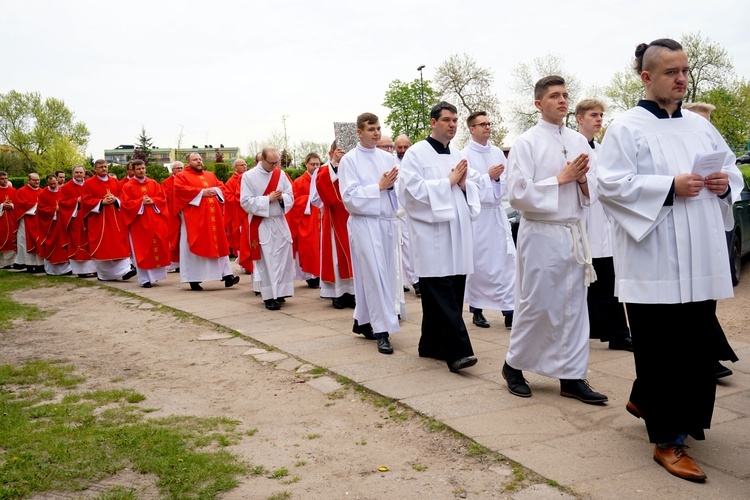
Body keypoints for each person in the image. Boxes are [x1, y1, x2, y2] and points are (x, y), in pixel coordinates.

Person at [596, 39, 742, 482]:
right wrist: (667, 187)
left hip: (700, 255)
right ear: (646, 77)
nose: (680, 79)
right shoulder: (626, 128)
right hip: (655, 259)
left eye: (684, 71)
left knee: (696, 348)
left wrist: (723, 184)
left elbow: (733, 169)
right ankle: (667, 441)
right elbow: (611, 186)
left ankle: (664, 409)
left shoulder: (700, 127)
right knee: (661, 350)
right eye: (670, 72)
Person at [503, 76, 608, 405]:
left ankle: (572, 375)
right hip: (541, 232)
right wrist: (560, 179)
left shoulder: (579, 141)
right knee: (538, 303)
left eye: (565, 95)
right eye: (554, 96)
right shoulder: (526, 143)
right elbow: (518, 194)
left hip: (573, 232)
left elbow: (594, 186)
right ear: (538, 104)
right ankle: (513, 365)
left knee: (574, 306)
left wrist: (581, 182)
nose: (562, 100)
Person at [398, 101, 481, 373]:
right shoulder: (415, 154)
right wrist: (447, 181)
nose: (452, 125)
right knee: (441, 291)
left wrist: (464, 182)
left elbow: (474, 186)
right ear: (433, 122)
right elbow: (411, 192)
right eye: (447, 120)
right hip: (431, 235)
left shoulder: (457, 153)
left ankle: (431, 344)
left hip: (457, 233)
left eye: (455, 120)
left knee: (452, 289)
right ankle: (458, 352)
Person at [682, 101, 738, 379]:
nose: (706, 125)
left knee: (703, 307)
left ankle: (709, 358)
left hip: (712, 227)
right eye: (700, 119)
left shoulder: (708, 138)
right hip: (678, 235)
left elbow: (733, 171)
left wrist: (725, 185)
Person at [575, 99, 633, 351]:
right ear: (579, 118)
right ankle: (582, 331)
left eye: (601, 115)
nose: (599, 119)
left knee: (608, 277)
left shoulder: (601, 149)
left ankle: (618, 333)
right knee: (583, 281)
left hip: (604, 220)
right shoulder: (570, 146)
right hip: (582, 219)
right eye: (593, 115)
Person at [340, 113, 400, 355]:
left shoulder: (387, 157)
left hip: (386, 222)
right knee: (375, 276)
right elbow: (349, 197)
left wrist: (392, 186)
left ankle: (362, 320)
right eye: (371, 129)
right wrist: (379, 187)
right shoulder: (349, 160)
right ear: (359, 132)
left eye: (378, 128)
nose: (376, 133)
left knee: (384, 274)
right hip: (364, 223)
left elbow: (400, 189)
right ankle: (382, 331)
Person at [462, 111, 515, 330]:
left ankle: (509, 310)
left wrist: (497, 180)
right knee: (480, 265)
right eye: (481, 124)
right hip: (478, 216)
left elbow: (507, 181)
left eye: (488, 123)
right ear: (471, 129)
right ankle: (477, 309)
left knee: (506, 263)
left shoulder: (496, 152)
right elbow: (467, 183)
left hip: (496, 214)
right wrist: (488, 177)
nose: (487, 127)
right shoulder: (463, 154)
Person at [173, 152, 239, 291]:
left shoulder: (210, 175)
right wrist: (202, 192)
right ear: (188, 163)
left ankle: (227, 276)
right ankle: (194, 279)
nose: (198, 161)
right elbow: (180, 191)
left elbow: (222, 188)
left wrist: (215, 190)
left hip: (213, 218)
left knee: (219, 243)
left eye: (200, 159)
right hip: (194, 219)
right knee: (194, 244)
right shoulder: (182, 176)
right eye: (195, 159)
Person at [239, 147, 294, 309]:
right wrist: (267, 199)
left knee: (283, 257)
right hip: (261, 223)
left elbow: (291, 195)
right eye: (271, 163)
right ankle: (269, 296)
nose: (275, 166)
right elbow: (245, 202)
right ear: (261, 160)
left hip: (279, 221)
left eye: (277, 162)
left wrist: (282, 197)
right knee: (267, 260)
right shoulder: (248, 177)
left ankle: (282, 291)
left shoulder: (280, 174)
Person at [313, 141, 356, 310]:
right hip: (333, 218)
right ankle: (336, 294)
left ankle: (353, 293)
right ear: (331, 152)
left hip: (353, 216)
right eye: (339, 151)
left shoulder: (354, 166)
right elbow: (316, 199)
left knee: (353, 254)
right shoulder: (323, 170)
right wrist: (333, 165)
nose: (342, 155)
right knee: (336, 257)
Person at [80, 160, 136, 281]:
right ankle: (104, 275)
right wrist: (101, 202)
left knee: (119, 245)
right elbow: (85, 200)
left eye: (105, 166)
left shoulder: (115, 181)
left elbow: (123, 197)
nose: (104, 169)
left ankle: (125, 270)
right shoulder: (89, 184)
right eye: (101, 167)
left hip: (116, 219)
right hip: (99, 220)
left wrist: (115, 199)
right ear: (95, 169)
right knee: (103, 247)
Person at [121, 160, 170, 288]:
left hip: (155, 221)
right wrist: (140, 202)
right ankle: (144, 279)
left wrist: (152, 200)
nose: (141, 171)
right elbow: (125, 205)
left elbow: (162, 199)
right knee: (142, 250)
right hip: (139, 224)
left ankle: (155, 277)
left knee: (156, 248)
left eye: (143, 168)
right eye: (138, 169)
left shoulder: (153, 183)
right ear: (133, 171)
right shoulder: (128, 186)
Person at [286, 152, 322, 288]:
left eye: (318, 164)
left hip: (321, 218)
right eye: (312, 164)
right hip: (306, 220)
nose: (315, 167)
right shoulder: (299, 182)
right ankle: (310, 276)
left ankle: (321, 274)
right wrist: (310, 199)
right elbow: (293, 201)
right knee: (309, 248)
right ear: (306, 164)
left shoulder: (322, 178)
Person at [58, 165, 97, 277]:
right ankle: (81, 271)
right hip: (75, 219)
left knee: (90, 242)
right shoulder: (65, 188)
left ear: (84, 174)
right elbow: (62, 203)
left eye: (81, 172)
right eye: (77, 172)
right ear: (72, 174)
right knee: (78, 242)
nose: (79, 174)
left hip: (89, 217)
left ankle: (94, 269)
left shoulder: (89, 185)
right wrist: (76, 201)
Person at [394, 134, 419, 296]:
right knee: (401, 247)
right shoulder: (391, 162)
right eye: (399, 148)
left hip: (413, 209)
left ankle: (415, 279)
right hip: (397, 210)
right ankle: (409, 281)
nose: (403, 151)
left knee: (413, 246)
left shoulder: (415, 160)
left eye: (405, 147)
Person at [36, 174, 71, 275]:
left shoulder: (62, 191)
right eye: (51, 184)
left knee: (64, 244)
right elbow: (41, 210)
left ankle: (67, 269)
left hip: (63, 223)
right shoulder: (43, 194)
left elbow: (66, 203)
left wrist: (63, 209)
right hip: (50, 226)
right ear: (47, 183)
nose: (53, 186)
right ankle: (52, 270)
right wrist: (54, 210)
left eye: (55, 183)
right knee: (52, 245)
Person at [13, 172, 44, 273]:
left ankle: (40, 264)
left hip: (39, 221)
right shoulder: (21, 191)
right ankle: (29, 264)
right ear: (29, 180)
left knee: (39, 241)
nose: (37, 182)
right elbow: (21, 204)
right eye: (34, 180)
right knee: (25, 242)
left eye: (38, 180)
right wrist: (37, 206)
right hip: (26, 221)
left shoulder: (42, 191)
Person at [161, 161, 184, 271]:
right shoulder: (166, 182)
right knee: (174, 237)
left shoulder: (186, 180)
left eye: (181, 168)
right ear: (172, 170)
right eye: (178, 168)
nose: (180, 170)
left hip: (186, 213)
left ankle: (184, 261)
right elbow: (166, 197)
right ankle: (175, 263)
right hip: (172, 214)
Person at [224, 158, 247, 259]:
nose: (244, 166)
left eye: (245, 164)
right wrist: (240, 200)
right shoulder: (231, 182)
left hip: (249, 212)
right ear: (235, 167)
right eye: (241, 165)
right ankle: (243, 262)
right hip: (238, 213)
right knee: (240, 237)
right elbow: (228, 197)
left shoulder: (248, 178)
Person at [0, 171, 17, 268]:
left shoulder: (13, 190)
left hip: (11, 219)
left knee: (11, 239)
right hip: (1, 218)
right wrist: (2, 206)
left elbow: (18, 204)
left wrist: (11, 205)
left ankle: (11, 262)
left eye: (6, 178)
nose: (4, 180)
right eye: (2, 178)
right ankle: (2, 263)